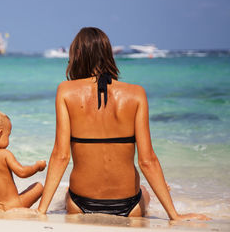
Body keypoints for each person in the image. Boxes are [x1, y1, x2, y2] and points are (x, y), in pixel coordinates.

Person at [37, 27, 209, 220]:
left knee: (69, 191)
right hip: (129, 206)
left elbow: (60, 156)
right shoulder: (137, 94)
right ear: (108, 55)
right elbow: (147, 161)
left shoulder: (65, 91)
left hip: (80, 204)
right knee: (144, 191)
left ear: (77, 55)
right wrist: (174, 216)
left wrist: (41, 211)